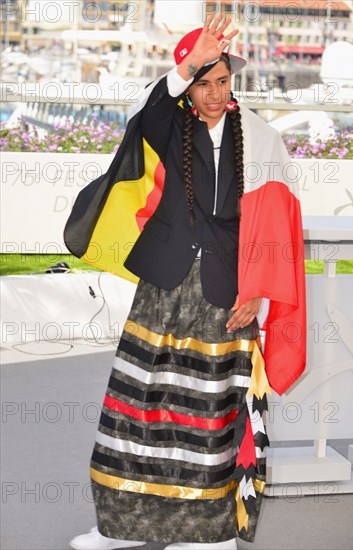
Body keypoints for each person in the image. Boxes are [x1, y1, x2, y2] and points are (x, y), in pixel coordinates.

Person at [66, 15, 306, 550]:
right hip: (163, 285)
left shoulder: (262, 140)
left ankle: (209, 535)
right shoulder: (171, 123)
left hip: (228, 293)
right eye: (204, 81)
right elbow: (146, 114)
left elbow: (275, 226)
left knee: (209, 416)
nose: (216, 93)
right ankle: (121, 529)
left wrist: (258, 292)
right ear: (190, 82)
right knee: (137, 407)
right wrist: (188, 61)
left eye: (223, 81)